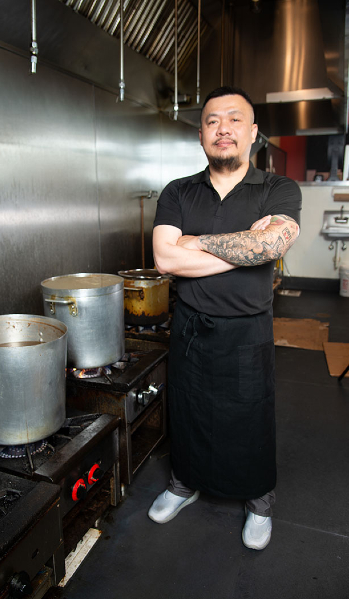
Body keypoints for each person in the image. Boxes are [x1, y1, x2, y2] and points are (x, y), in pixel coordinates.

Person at [148, 86, 301, 550]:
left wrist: (195, 242)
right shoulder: (178, 191)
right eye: (213, 121)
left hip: (246, 331)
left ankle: (259, 500)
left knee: (249, 418)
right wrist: (245, 247)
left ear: (253, 133)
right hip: (191, 328)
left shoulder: (278, 188)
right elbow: (164, 260)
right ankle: (183, 483)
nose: (223, 129)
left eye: (235, 120)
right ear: (201, 135)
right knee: (188, 410)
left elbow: (272, 245)